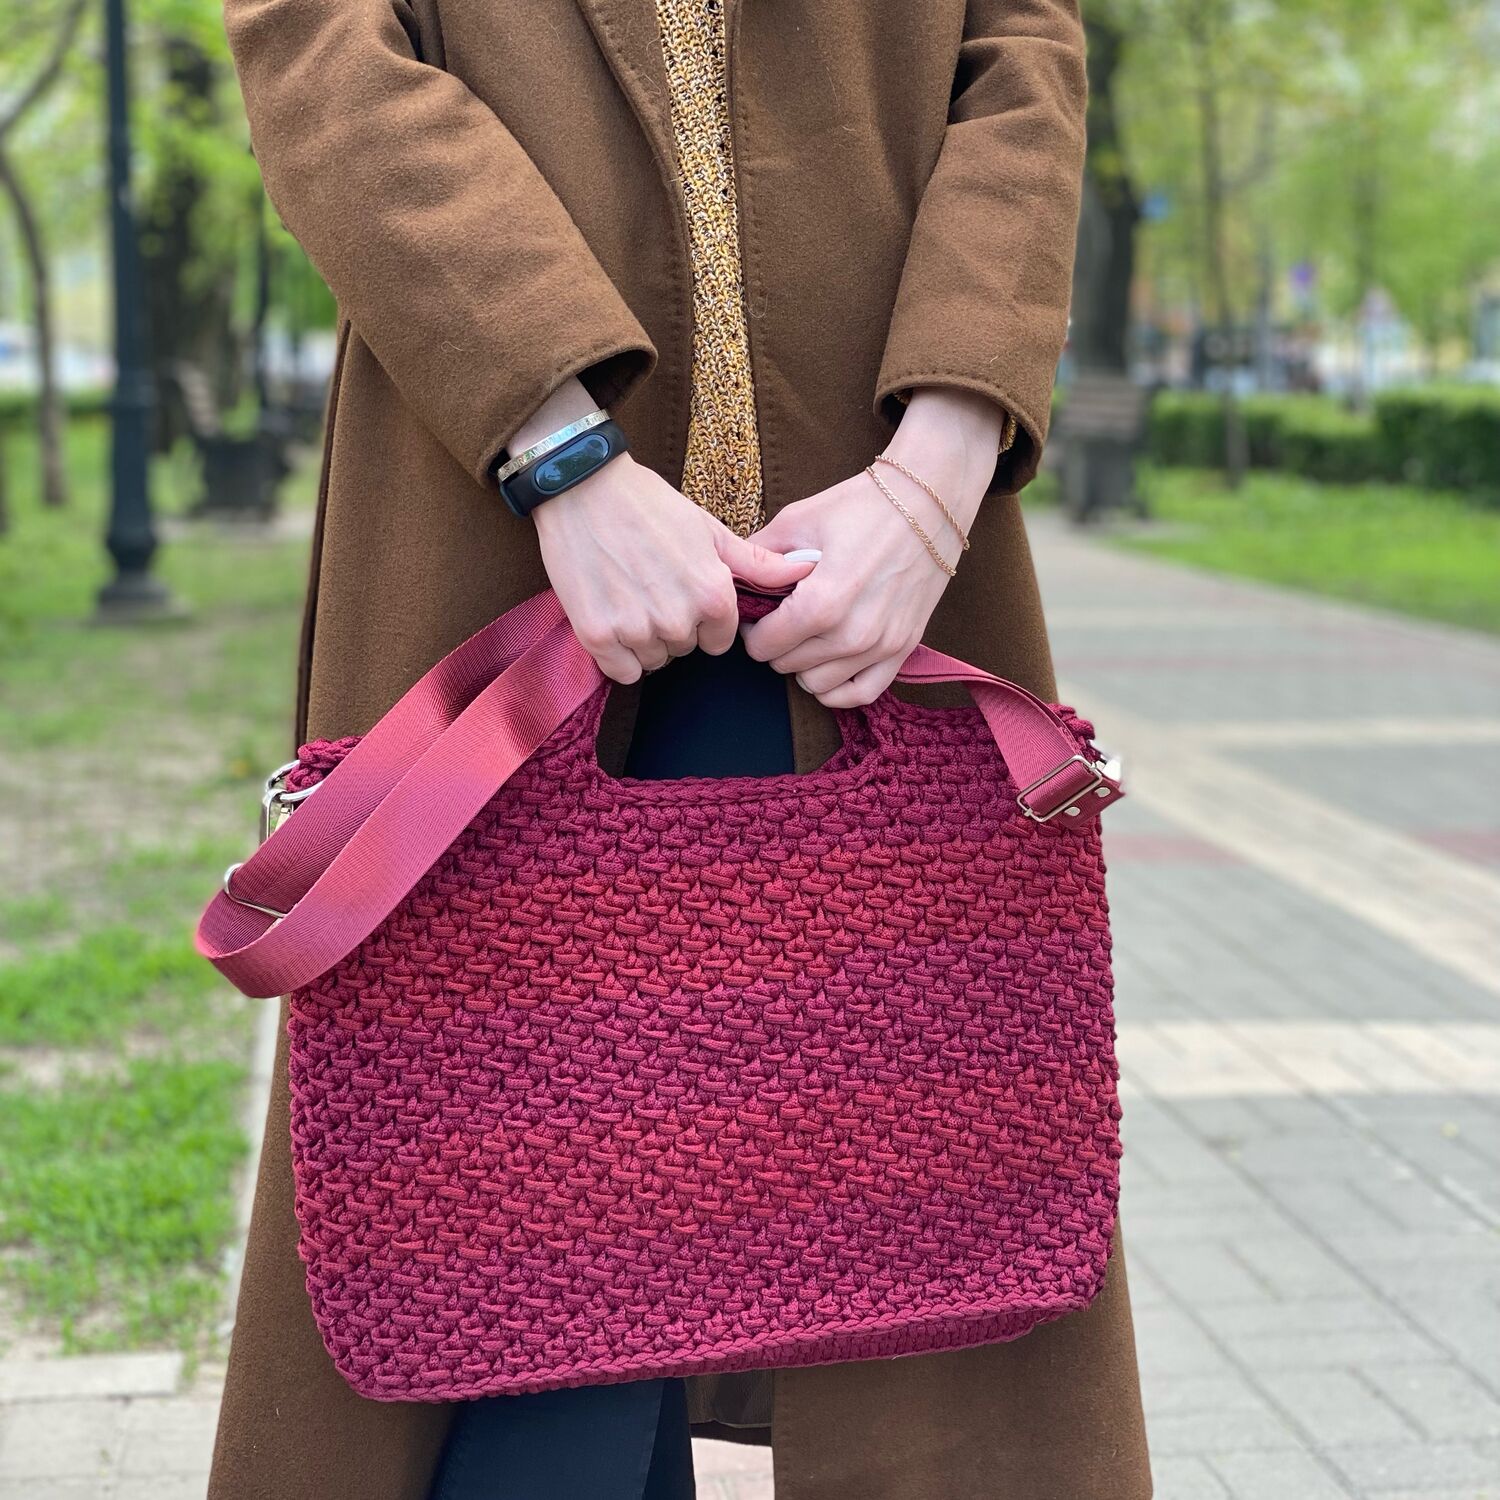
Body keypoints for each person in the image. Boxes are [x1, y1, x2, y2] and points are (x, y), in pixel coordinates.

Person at [208, 1, 1153, 1497]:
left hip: (870, 534)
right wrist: (561, 450)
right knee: (502, 1270)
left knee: (920, 1213)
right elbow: (325, 47)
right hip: (495, 489)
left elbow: (1020, 53)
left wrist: (942, 462)